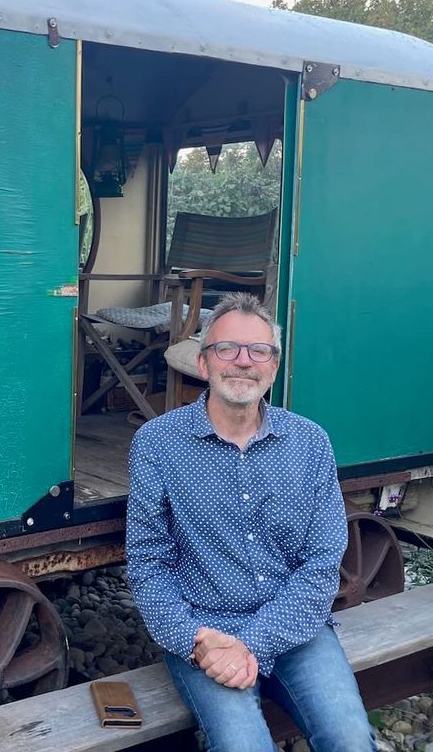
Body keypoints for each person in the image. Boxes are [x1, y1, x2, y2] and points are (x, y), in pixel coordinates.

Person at [125, 292, 374, 752]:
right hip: (206, 633)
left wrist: (251, 645)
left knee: (352, 740)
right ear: (204, 363)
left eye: (258, 350)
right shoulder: (157, 444)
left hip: (297, 627)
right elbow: (147, 564)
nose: (243, 361)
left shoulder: (310, 442)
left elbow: (322, 564)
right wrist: (196, 640)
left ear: (273, 368)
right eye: (227, 349)